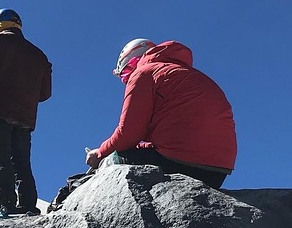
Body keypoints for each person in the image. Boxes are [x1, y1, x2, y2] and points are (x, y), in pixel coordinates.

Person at [85, 39, 236, 189]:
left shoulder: (144, 73)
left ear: (132, 61)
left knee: (109, 162)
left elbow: (128, 134)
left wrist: (100, 153)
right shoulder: (181, 74)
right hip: (217, 172)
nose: (127, 80)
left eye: (125, 73)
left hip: (181, 162)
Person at [0, 8, 52, 218]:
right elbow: (45, 93)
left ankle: (5, 206)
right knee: (22, 162)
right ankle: (28, 206)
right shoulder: (39, 56)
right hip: (24, 118)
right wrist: (25, 99)